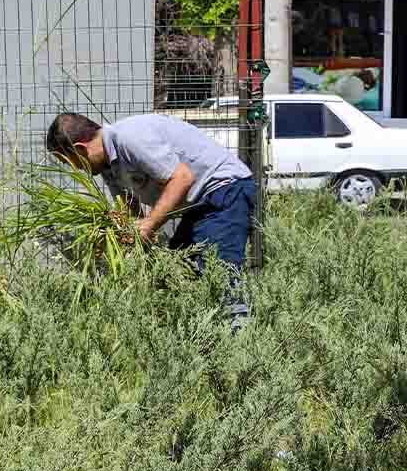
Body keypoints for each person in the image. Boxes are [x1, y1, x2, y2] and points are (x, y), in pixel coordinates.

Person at [45, 111, 259, 326]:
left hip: (224, 191)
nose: (75, 169)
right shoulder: (108, 166)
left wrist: (150, 224)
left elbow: (182, 178)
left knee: (217, 274)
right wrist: (117, 234)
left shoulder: (130, 138)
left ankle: (239, 337)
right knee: (178, 269)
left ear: (80, 148)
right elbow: (130, 210)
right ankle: (203, 338)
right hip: (198, 206)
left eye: (70, 161)